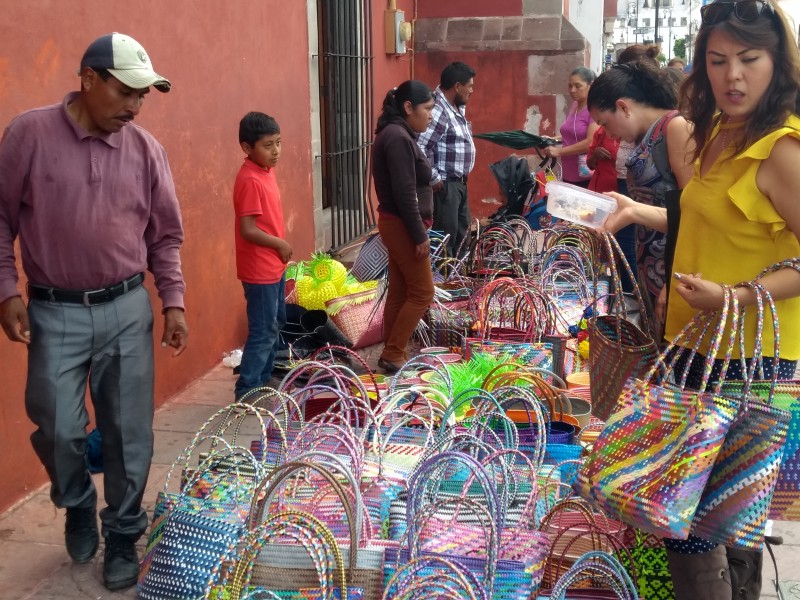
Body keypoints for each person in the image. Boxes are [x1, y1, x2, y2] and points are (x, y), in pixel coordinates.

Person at [603, 1, 800, 597]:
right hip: (694, 347)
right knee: (697, 516)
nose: (733, 76)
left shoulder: (782, 150)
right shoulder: (715, 134)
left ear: (777, 63)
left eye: (749, 59)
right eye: (718, 60)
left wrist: (735, 297)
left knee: (701, 521)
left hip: (748, 358)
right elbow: (706, 225)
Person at [0, 33, 188, 590]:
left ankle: (124, 534)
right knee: (57, 425)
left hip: (128, 308)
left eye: (143, 96)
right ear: (88, 79)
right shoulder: (28, 135)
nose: (134, 106)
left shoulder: (147, 150)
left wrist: (173, 300)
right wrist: (7, 289)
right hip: (54, 311)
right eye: (125, 91)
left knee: (130, 434)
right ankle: (77, 500)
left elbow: (166, 236)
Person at [587, 61, 694, 333]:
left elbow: (694, 215)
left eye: (605, 122)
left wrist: (675, 281)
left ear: (623, 107)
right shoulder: (650, 134)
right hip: (652, 269)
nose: (608, 133)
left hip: (675, 272)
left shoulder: (675, 128)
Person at [373, 81, 436, 372]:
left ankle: (391, 351)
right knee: (423, 292)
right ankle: (394, 352)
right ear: (408, 107)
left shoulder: (399, 133)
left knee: (400, 291)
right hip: (401, 224)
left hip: (396, 223)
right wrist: (419, 234)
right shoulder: (397, 137)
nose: (430, 115)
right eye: (428, 108)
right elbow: (404, 193)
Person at [233, 112, 292, 400]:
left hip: (274, 267)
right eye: (268, 145)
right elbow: (247, 229)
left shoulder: (266, 172)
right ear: (247, 148)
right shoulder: (249, 179)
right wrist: (279, 244)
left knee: (275, 322)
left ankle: (265, 377)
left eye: (278, 143)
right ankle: (247, 388)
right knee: (263, 329)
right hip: (259, 269)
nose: (276, 151)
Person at [417, 61, 476, 258]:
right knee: (445, 242)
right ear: (457, 86)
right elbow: (421, 146)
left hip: (459, 184)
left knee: (461, 238)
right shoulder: (439, 109)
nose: (472, 91)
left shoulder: (455, 107)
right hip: (446, 186)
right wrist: (434, 177)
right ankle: (443, 283)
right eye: (470, 86)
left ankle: (458, 283)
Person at [545, 67, 598, 188]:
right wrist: (552, 140)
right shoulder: (575, 105)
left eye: (578, 86)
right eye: (570, 86)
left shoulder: (594, 109)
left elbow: (591, 141)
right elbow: (571, 134)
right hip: (569, 172)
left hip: (585, 174)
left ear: (591, 85)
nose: (572, 90)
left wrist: (559, 151)